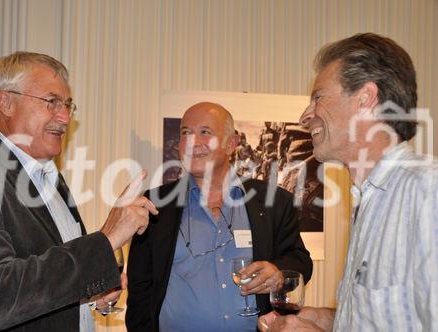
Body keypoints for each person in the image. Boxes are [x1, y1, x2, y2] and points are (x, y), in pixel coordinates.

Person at [0, 52, 158, 331]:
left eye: (67, 105)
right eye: (51, 102)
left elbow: (43, 289)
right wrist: (106, 239)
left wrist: (91, 297)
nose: (65, 117)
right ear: (6, 103)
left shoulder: (53, 182)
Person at [259, 33, 438, 331]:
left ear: (365, 98)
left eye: (318, 97)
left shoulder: (427, 193)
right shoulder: (368, 201)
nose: (306, 116)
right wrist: (326, 319)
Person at [126, 102, 313, 332]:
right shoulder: (156, 204)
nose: (193, 142)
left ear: (231, 143)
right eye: (186, 133)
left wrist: (278, 272)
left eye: (205, 132)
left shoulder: (274, 201)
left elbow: (300, 260)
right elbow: (139, 288)